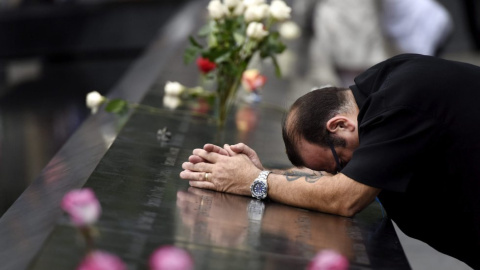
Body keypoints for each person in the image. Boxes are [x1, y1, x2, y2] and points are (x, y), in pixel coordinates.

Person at [179, 54, 480, 269]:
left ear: (339, 125)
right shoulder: (376, 92)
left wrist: (253, 181)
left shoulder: (398, 102)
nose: (339, 174)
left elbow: (343, 198)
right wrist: (260, 173)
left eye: (338, 164)